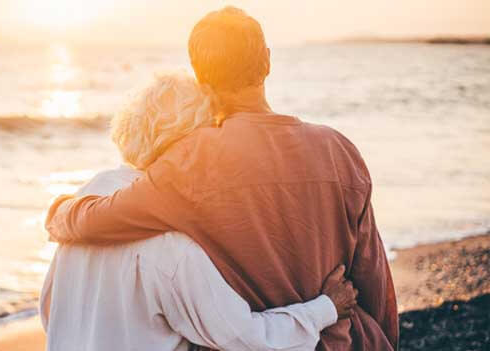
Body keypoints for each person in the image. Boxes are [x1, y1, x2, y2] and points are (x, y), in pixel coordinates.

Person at [46, 7, 398, 350]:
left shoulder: (189, 162)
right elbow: (372, 275)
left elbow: (99, 221)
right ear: (268, 61)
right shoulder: (340, 150)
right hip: (343, 339)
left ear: (201, 78)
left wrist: (60, 212)